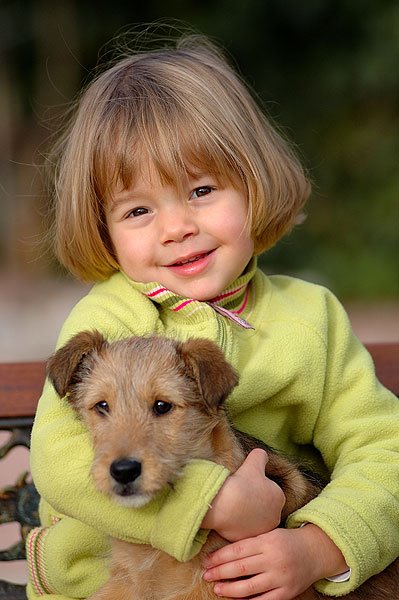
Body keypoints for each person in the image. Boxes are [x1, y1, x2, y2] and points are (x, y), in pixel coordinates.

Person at [27, 32, 399, 600]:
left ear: (254, 186)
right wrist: (211, 504)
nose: (176, 228)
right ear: (103, 226)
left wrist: (319, 547)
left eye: (201, 190)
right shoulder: (108, 318)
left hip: (269, 569)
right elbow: (57, 457)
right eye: (139, 209)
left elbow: (383, 447)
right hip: (112, 579)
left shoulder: (311, 317)